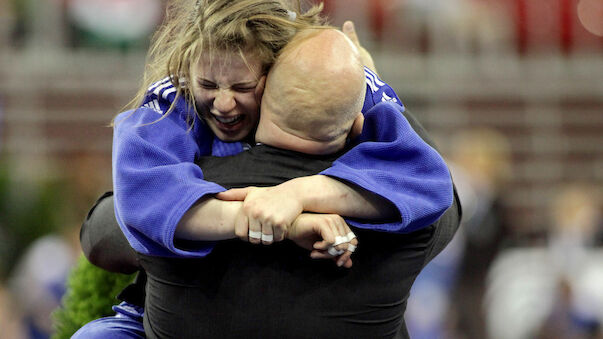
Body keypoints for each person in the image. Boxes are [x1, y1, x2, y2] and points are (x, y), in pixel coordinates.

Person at [75, 24, 460, 338]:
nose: (225, 104)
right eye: (210, 85)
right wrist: (374, 90)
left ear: (268, 91)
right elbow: (443, 195)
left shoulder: (187, 187)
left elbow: (103, 232)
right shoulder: (402, 209)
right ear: (359, 122)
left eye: (242, 87)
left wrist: (275, 205)